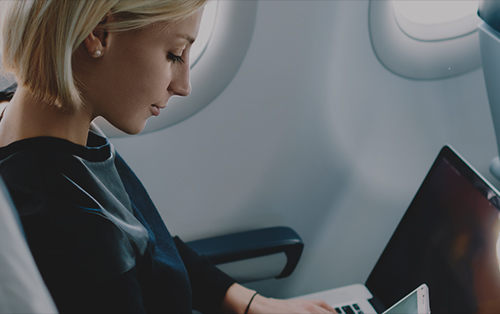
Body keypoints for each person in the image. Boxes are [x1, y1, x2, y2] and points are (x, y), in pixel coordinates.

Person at [0, 1, 336, 313]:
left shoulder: (47, 125)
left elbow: (145, 242)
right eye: (174, 54)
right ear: (99, 33)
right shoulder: (73, 235)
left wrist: (254, 304)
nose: (184, 85)